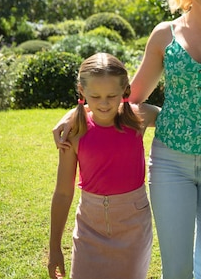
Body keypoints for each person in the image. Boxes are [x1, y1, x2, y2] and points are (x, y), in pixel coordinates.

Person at [48, 52, 160, 279]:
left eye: (112, 95)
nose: (104, 103)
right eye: (95, 96)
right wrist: (54, 247)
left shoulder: (138, 119)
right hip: (90, 227)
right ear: (82, 92)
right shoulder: (74, 132)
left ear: (125, 91)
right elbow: (62, 192)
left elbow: (171, 117)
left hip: (134, 227)